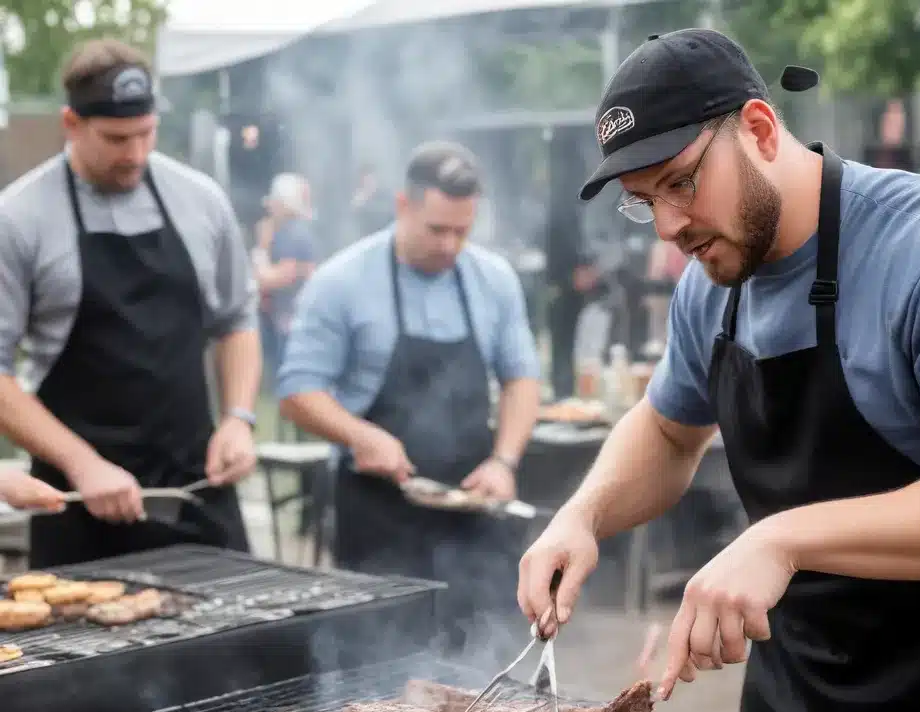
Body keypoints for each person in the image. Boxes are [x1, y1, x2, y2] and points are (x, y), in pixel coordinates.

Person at [518, 29, 920, 712]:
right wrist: (582, 515)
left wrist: (783, 535)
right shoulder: (709, 281)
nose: (672, 226)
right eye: (646, 201)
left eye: (681, 181)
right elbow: (668, 433)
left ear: (758, 127)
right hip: (799, 698)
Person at [0, 39, 260, 569]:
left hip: (196, 491)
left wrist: (237, 418)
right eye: (117, 139)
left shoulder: (201, 199)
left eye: (146, 133)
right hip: (76, 504)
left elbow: (237, 319)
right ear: (71, 123)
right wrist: (82, 464)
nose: (136, 154)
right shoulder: (19, 219)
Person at [279, 141, 541, 653]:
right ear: (404, 205)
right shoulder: (342, 281)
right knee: (378, 664)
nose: (449, 245)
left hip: (473, 509)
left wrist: (504, 460)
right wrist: (359, 433)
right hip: (379, 515)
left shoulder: (494, 280)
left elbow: (520, 379)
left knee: (487, 663)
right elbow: (296, 391)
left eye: (462, 232)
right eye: (437, 230)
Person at [253, 172, 317, 381]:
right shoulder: (292, 232)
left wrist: (261, 249)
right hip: (288, 321)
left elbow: (274, 278)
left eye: (274, 202)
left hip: (292, 322)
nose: (269, 208)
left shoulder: (294, 233)